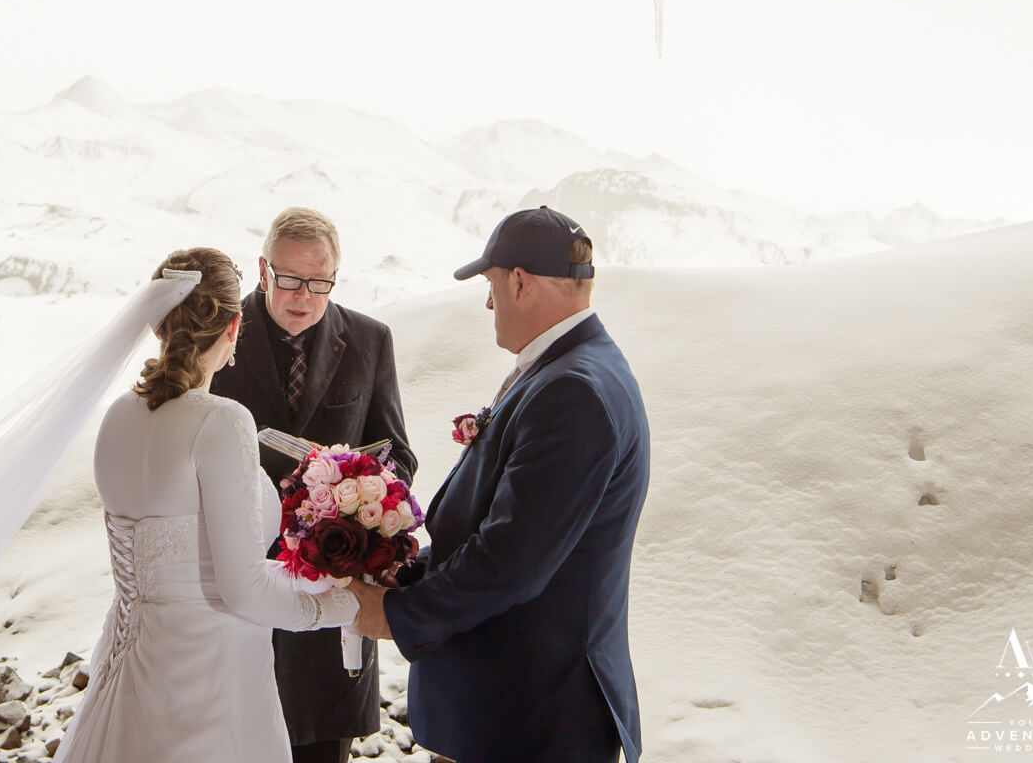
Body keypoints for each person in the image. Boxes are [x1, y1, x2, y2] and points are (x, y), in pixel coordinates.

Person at [351, 206, 651, 763]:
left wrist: (393, 614)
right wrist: (412, 570)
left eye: (490, 285)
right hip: (513, 709)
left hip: (527, 719)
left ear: (520, 281)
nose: (489, 304)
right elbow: (518, 525)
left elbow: (512, 559)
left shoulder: (574, 392)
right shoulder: (573, 368)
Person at [53, 247, 360, 763]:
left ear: (157, 323)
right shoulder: (222, 421)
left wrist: (310, 577)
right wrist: (339, 607)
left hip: (129, 666)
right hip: (212, 676)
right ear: (234, 326)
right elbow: (242, 591)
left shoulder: (117, 417)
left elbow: (173, 563)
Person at [211, 207, 417, 763]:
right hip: (234, 595)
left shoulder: (370, 340)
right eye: (289, 279)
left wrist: (362, 492)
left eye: (319, 282)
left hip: (331, 594)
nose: (304, 296)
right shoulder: (217, 338)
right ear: (262, 270)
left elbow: (399, 455)